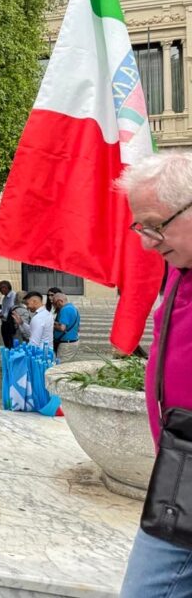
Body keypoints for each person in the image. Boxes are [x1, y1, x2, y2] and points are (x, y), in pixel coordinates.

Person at [116, 152, 192, 596]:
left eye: (154, 224)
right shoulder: (179, 269)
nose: (146, 241)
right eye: (140, 227)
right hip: (177, 468)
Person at [52, 292, 81, 361]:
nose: (54, 306)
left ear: (60, 301)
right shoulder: (73, 308)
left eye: (55, 303)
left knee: (61, 366)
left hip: (66, 344)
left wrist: (51, 324)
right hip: (73, 341)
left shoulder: (65, 309)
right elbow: (78, 328)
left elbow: (62, 328)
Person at [0, 281, 18, 348]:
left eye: (3, 289)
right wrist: (0, 313)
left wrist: (3, 315)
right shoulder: (4, 298)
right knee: (6, 342)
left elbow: (11, 309)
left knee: (11, 342)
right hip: (4, 322)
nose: (1, 291)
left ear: (7, 288)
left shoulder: (13, 295)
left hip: (10, 322)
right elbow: (4, 309)